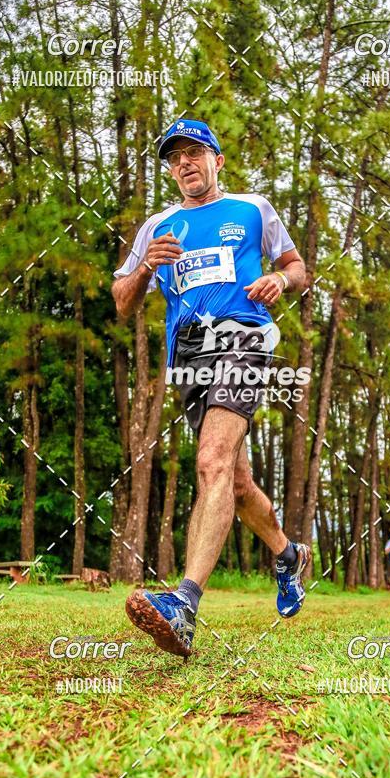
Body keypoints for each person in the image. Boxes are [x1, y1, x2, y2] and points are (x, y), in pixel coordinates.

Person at [112, 118, 308, 658]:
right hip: (190, 358)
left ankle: (184, 604)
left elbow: (298, 268)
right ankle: (289, 554)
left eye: (195, 153)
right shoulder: (158, 225)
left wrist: (280, 280)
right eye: (175, 157)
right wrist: (142, 269)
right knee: (237, 483)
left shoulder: (253, 209)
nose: (185, 164)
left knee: (213, 460)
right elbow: (122, 299)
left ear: (217, 160)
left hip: (243, 339)